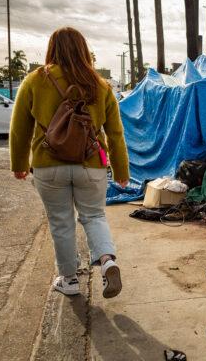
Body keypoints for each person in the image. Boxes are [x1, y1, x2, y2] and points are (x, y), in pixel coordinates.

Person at [9, 27, 129, 298]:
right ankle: (107, 260)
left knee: (61, 222)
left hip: (48, 164)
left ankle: (69, 280)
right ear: (83, 50)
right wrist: (121, 170)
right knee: (94, 216)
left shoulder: (34, 81)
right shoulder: (100, 85)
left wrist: (19, 163)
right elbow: (116, 133)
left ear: (53, 48)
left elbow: (19, 129)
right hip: (91, 165)